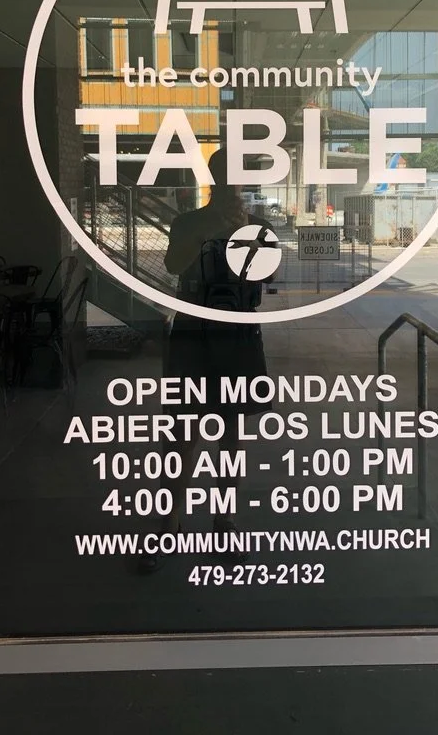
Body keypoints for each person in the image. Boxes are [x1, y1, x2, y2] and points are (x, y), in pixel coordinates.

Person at [139, 148, 274, 572]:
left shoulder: (256, 225)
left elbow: (266, 279)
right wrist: (205, 236)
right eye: (225, 176)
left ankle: (223, 522)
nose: (232, 185)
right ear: (213, 180)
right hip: (197, 333)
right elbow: (174, 264)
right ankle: (169, 521)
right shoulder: (189, 223)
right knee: (181, 432)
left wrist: (246, 238)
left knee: (229, 437)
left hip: (234, 333)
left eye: (236, 178)